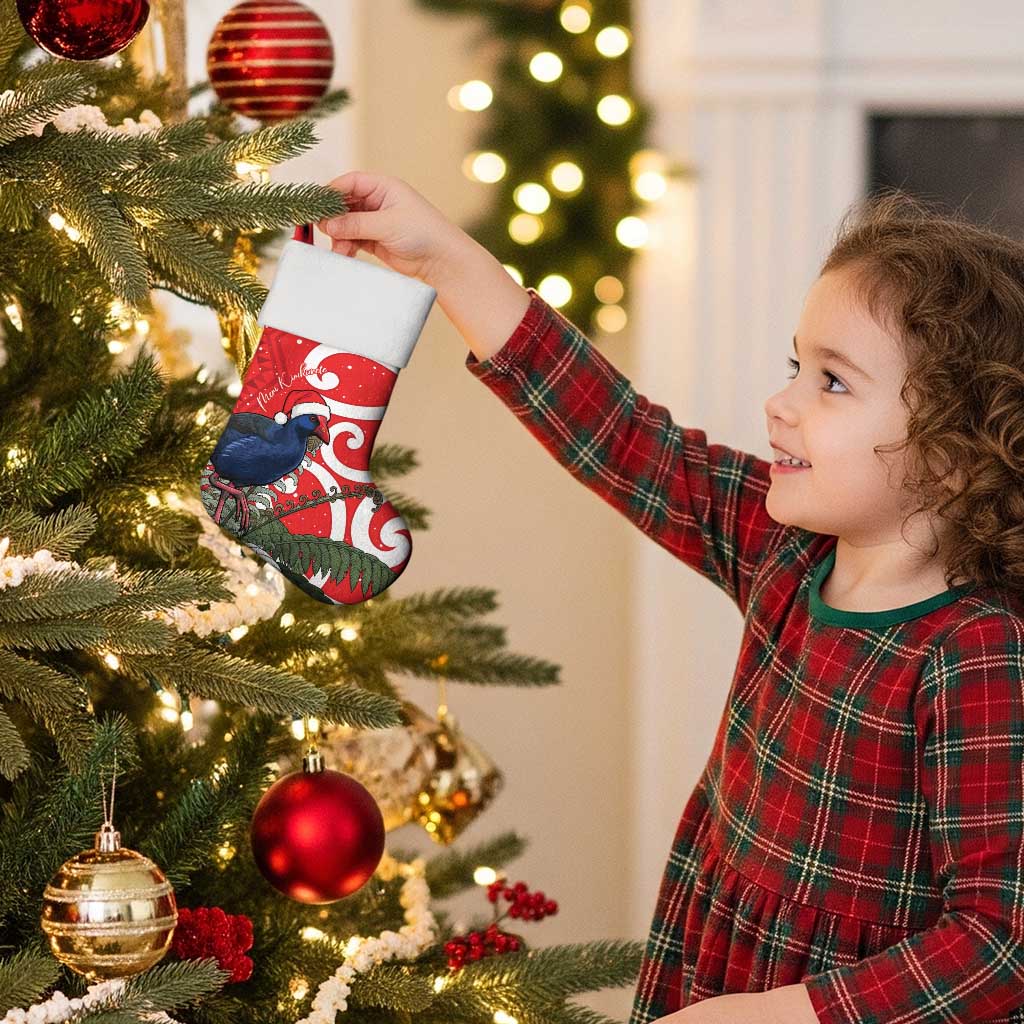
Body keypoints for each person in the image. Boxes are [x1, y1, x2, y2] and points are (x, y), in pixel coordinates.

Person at [317, 174, 1024, 1024]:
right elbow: (622, 436)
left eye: (832, 383)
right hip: (715, 963)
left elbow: (998, 941)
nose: (782, 403)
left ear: (955, 453)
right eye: (797, 367)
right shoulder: (786, 552)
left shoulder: (978, 652)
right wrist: (451, 262)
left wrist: (778, 1016)